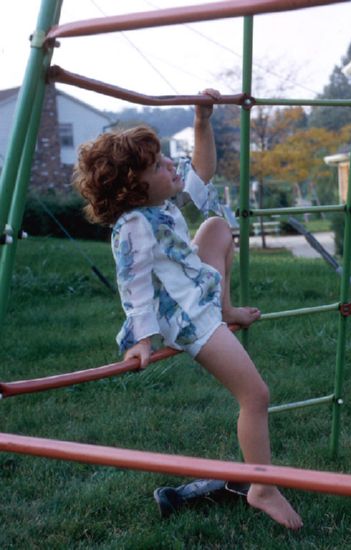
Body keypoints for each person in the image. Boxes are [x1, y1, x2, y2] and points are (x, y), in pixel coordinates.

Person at [73, 89, 303, 530]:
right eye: (158, 166)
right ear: (134, 186)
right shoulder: (135, 225)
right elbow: (134, 285)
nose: (170, 167)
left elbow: (201, 170)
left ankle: (227, 307)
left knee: (216, 227)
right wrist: (141, 338)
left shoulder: (157, 203)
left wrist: (202, 121)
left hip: (199, 291)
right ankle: (263, 487)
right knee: (255, 396)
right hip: (188, 318)